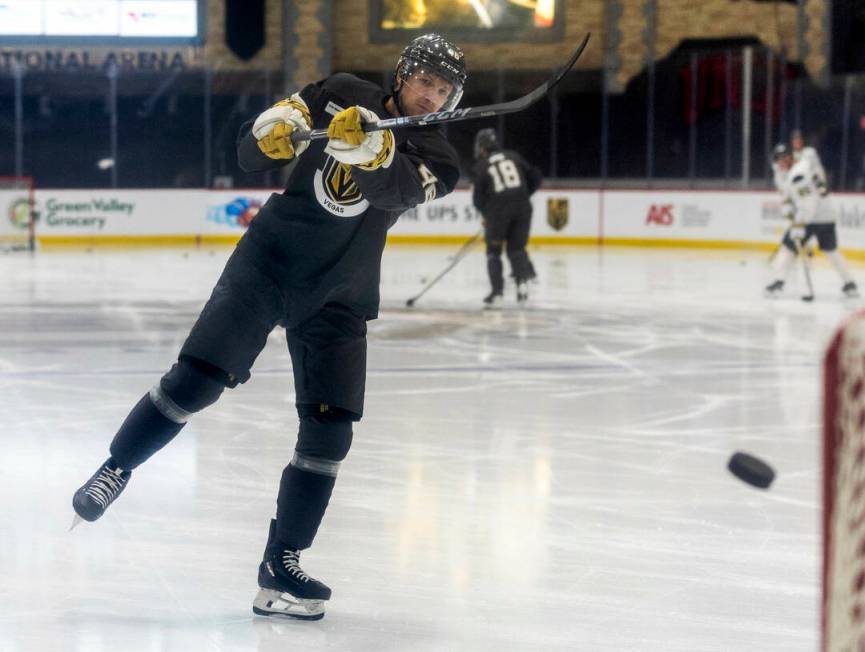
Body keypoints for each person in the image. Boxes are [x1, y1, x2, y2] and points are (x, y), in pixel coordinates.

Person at [71, 33, 466, 621]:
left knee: (331, 431)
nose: (431, 98)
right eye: (425, 82)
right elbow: (252, 154)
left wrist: (375, 155)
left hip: (340, 292)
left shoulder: (438, 156)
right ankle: (116, 468)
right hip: (269, 264)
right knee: (196, 383)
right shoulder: (339, 93)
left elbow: (395, 191)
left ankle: (281, 563)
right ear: (402, 75)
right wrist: (268, 130)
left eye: (443, 90)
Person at [765, 144, 859, 300]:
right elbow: (794, 196)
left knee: (788, 248)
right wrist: (788, 207)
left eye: (780, 161)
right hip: (827, 214)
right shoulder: (804, 164)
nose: (779, 165)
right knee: (831, 251)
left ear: (788, 158)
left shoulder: (797, 175)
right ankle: (850, 284)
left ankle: (778, 283)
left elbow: (808, 204)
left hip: (812, 217)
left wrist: (799, 224)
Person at [471, 128, 542, 308]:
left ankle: (497, 292)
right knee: (517, 250)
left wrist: (487, 214)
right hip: (523, 207)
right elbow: (535, 176)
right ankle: (522, 285)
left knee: (493, 253)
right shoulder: (513, 156)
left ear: (482, 147)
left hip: (498, 212)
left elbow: (478, 199)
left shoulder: (481, 166)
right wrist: (524, 194)